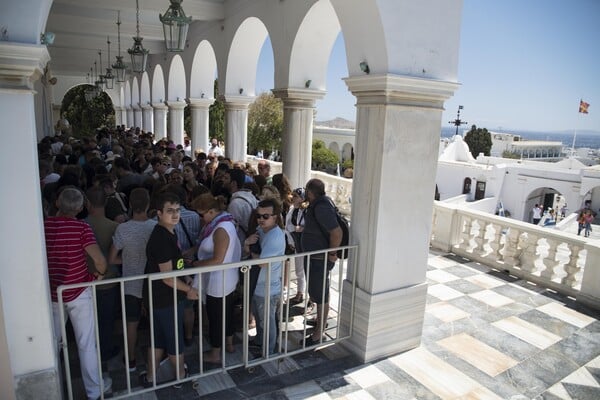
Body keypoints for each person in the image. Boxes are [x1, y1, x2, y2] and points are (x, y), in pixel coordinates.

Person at [45, 187, 112, 399]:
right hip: (79, 291)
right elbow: (100, 260)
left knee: (53, 342)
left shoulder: (43, 226)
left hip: (51, 293)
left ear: (57, 203)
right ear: (81, 208)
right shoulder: (81, 228)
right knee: (86, 343)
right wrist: (97, 277)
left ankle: (55, 389)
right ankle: (94, 391)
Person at [140, 192, 199, 388]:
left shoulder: (168, 232)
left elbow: (175, 265)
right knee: (174, 340)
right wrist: (187, 290)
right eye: (169, 211)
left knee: (157, 339)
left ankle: (151, 377)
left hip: (158, 297)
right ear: (159, 213)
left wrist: (185, 277)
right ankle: (180, 377)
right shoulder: (161, 238)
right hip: (167, 299)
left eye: (177, 210)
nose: (175, 215)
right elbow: (166, 276)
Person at [108, 188, 157, 372]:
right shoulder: (155, 226)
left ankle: (130, 361)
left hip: (130, 283)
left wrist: (128, 260)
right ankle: (156, 359)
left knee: (131, 324)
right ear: (148, 204)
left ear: (129, 204)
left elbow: (112, 259)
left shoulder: (123, 228)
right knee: (155, 322)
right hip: (152, 283)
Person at [189, 194, 241, 364]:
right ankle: (229, 343)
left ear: (211, 211)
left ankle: (215, 353)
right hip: (226, 278)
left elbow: (217, 259)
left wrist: (196, 264)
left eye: (201, 214)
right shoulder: (222, 223)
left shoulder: (220, 228)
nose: (200, 218)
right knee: (226, 313)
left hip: (218, 281)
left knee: (216, 318)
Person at [300, 179, 343, 346]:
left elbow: (336, 232)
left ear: (310, 192)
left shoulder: (321, 207)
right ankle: (320, 320)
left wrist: (332, 254)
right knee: (319, 292)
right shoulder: (319, 204)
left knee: (321, 294)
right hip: (314, 258)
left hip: (319, 259)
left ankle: (319, 334)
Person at [244, 198, 286, 355]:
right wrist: (247, 244)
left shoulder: (275, 236)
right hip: (259, 285)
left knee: (267, 323)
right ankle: (260, 341)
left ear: (275, 217)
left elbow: (262, 263)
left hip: (268, 288)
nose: (261, 219)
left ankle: (268, 351)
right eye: (258, 215)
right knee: (261, 320)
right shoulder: (261, 230)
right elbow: (250, 253)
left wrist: (251, 250)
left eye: (265, 216)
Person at [85, 186, 120, 364]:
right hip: (108, 281)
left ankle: (90, 352)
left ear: (87, 203)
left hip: (84, 282)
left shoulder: (81, 225)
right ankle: (104, 350)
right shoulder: (114, 226)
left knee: (88, 323)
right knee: (106, 320)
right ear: (105, 202)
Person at [285, 188, 308, 304]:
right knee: (299, 270)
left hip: (303, 245)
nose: (292, 198)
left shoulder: (305, 211)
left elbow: (307, 228)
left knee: (304, 270)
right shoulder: (292, 209)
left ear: (302, 199)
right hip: (294, 243)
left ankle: (302, 294)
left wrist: (296, 229)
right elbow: (288, 226)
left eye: (295, 196)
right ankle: (300, 292)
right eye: (292, 195)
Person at [224, 168, 258, 246]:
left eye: (226, 178)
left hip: (240, 244)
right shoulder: (251, 196)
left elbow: (231, 228)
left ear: (233, 183)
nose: (223, 180)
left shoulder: (235, 204)